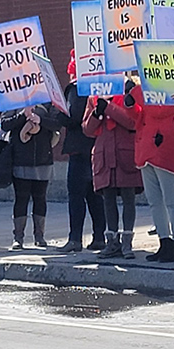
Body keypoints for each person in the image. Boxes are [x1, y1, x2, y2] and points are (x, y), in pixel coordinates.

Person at [127, 81, 174, 262]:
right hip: (146, 149)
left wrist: (137, 94)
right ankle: (164, 241)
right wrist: (130, 104)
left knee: (172, 200)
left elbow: (159, 111)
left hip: (164, 148)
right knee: (155, 201)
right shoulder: (144, 91)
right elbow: (138, 117)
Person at [82, 85, 142, 259]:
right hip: (104, 156)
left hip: (125, 154)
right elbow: (87, 129)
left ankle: (127, 242)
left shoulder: (127, 92)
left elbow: (132, 122)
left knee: (128, 197)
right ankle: (112, 241)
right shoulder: (93, 97)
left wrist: (108, 107)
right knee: (107, 199)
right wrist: (96, 112)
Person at [57, 50, 106, 252]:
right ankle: (99, 237)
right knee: (95, 196)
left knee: (76, 196)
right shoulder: (98, 85)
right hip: (95, 147)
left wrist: (59, 110)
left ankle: (75, 239)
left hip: (79, 149)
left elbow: (73, 116)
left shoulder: (76, 88)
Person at [0, 103, 60, 250]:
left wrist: (40, 119)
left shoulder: (49, 102)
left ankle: (39, 236)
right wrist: (23, 115)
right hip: (20, 159)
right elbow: (4, 124)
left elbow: (57, 124)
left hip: (43, 158)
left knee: (40, 198)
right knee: (21, 198)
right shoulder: (14, 100)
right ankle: (18, 238)